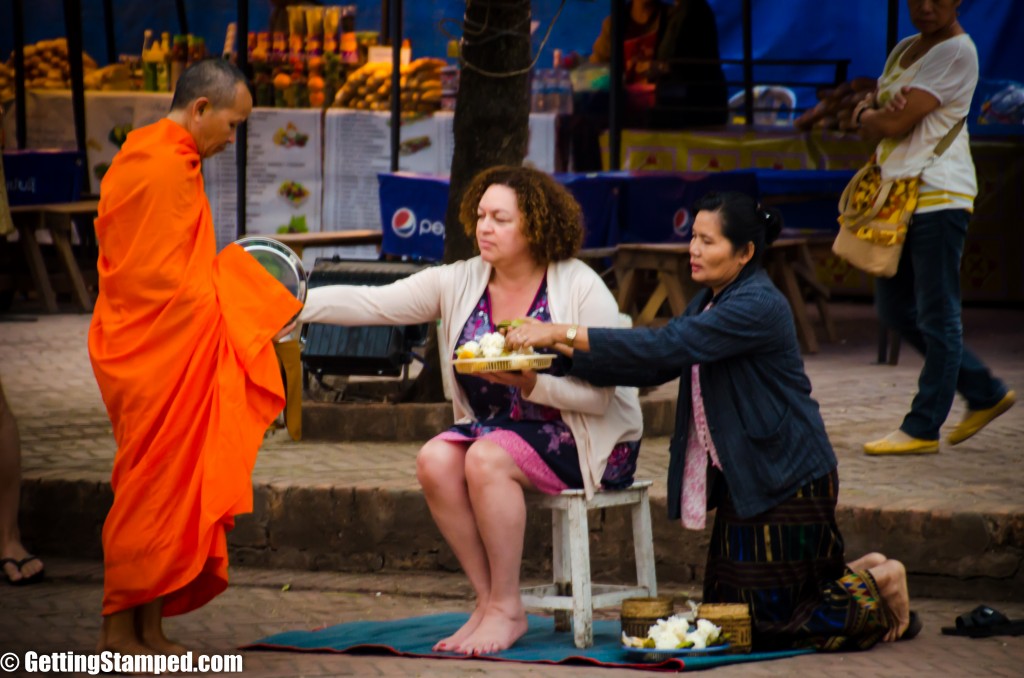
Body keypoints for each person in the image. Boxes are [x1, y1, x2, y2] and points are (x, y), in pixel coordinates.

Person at [506, 191, 919, 650]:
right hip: (750, 477)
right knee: (728, 615)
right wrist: (554, 360)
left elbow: (665, 347)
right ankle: (865, 570)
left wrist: (558, 330)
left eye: (708, 241)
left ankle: (883, 584)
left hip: (787, 474)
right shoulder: (709, 300)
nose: (694, 250)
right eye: (693, 238)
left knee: (767, 626)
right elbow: (652, 368)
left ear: (744, 253)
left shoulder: (757, 304)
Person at [299, 165, 643, 655]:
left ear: (536, 225)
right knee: (435, 460)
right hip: (502, 434)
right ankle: (490, 603)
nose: (484, 227)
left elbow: (601, 396)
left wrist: (532, 385)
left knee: (485, 457)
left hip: (591, 436)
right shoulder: (461, 280)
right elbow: (373, 304)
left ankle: (506, 605)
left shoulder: (580, 285)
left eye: (500, 218)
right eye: (481, 215)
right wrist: (293, 302)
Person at [89, 59, 301, 655]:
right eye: (232, 125)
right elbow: (152, 279)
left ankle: (150, 628)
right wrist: (235, 292)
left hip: (167, 346)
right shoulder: (157, 165)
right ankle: (115, 629)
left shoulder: (168, 157)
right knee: (147, 485)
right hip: (153, 349)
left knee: (170, 487)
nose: (232, 140)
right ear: (201, 109)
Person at [853, 0, 1014, 455]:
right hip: (902, 198)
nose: (924, 7)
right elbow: (875, 104)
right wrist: (872, 110)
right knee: (894, 308)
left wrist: (869, 115)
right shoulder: (904, 48)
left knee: (936, 313)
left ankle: (922, 427)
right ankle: (983, 391)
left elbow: (893, 118)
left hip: (939, 193)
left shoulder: (957, 52)